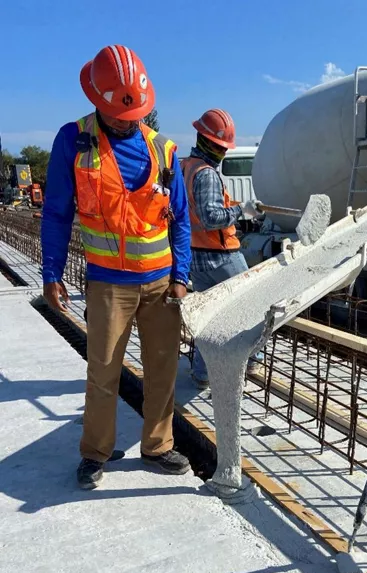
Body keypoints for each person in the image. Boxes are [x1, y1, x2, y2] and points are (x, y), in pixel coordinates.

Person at [42, 45, 192, 489]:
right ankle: (94, 454)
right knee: (103, 372)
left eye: (137, 113)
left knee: (163, 371)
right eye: (121, 113)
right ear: (98, 101)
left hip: (161, 284)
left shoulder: (162, 149)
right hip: (109, 285)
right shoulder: (74, 140)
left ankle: (158, 446)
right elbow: (55, 213)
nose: (131, 120)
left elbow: (180, 219)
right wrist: (51, 272)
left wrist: (181, 277)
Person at [181, 109, 263, 389]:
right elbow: (210, 218)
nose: (223, 153)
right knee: (253, 307)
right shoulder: (206, 174)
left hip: (197, 255)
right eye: (220, 147)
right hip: (221, 256)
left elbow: (196, 211)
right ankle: (251, 362)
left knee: (209, 319)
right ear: (208, 142)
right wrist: (241, 211)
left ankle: (202, 373)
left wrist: (233, 206)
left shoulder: (187, 166)